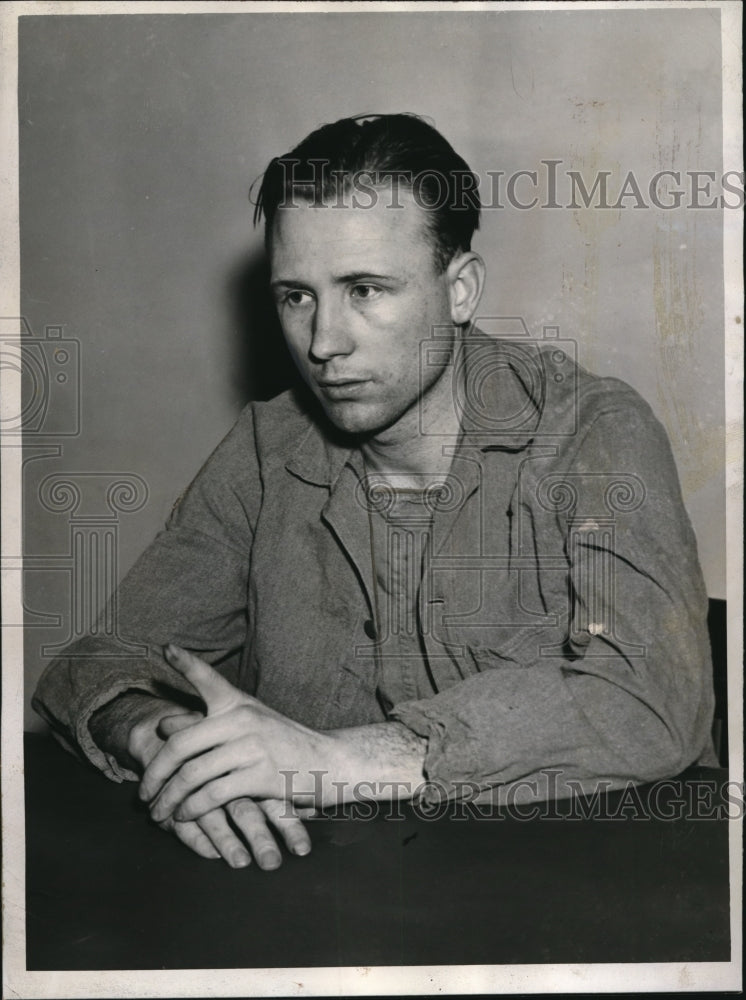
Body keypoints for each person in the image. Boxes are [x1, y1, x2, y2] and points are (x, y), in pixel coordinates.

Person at [32, 113, 717, 872]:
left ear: (459, 289)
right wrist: (179, 746)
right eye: (296, 297)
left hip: (570, 910)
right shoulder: (267, 446)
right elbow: (93, 662)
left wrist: (335, 760)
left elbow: (652, 701)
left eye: (365, 289)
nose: (324, 343)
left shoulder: (592, 429)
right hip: (327, 906)